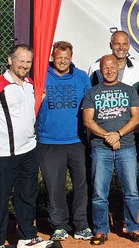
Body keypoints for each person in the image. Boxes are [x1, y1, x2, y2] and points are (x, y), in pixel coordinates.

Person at [82, 55, 139, 245]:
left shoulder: (129, 91)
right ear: (100, 70)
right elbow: (88, 121)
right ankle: (100, 229)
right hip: (101, 149)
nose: (109, 70)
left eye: (112, 67)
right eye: (105, 68)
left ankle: (132, 227)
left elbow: (136, 118)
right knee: (100, 192)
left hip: (126, 147)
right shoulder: (92, 93)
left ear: (118, 68)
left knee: (131, 191)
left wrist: (117, 134)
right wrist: (107, 136)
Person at [38, 41, 92, 241]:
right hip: (49, 141)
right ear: (52, 56)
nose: (62, 61)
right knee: (54, 186)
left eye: (66, 57)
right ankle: (59, 225)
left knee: (81, 185)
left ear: (71, 57)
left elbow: (89, 107)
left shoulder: (81, 78)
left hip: (77, 141)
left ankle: (81, 225)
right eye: (58, 57)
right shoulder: (41, 76)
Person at [0, 44, 53, 248]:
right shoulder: (2, 85)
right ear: (10, 60)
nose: (24, 65)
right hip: (4, 153)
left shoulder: (31, 84)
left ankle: (27, 237)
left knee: (27, 196)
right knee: (2, 199)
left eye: (28, 61)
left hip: (29, 150)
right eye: (21, 60)